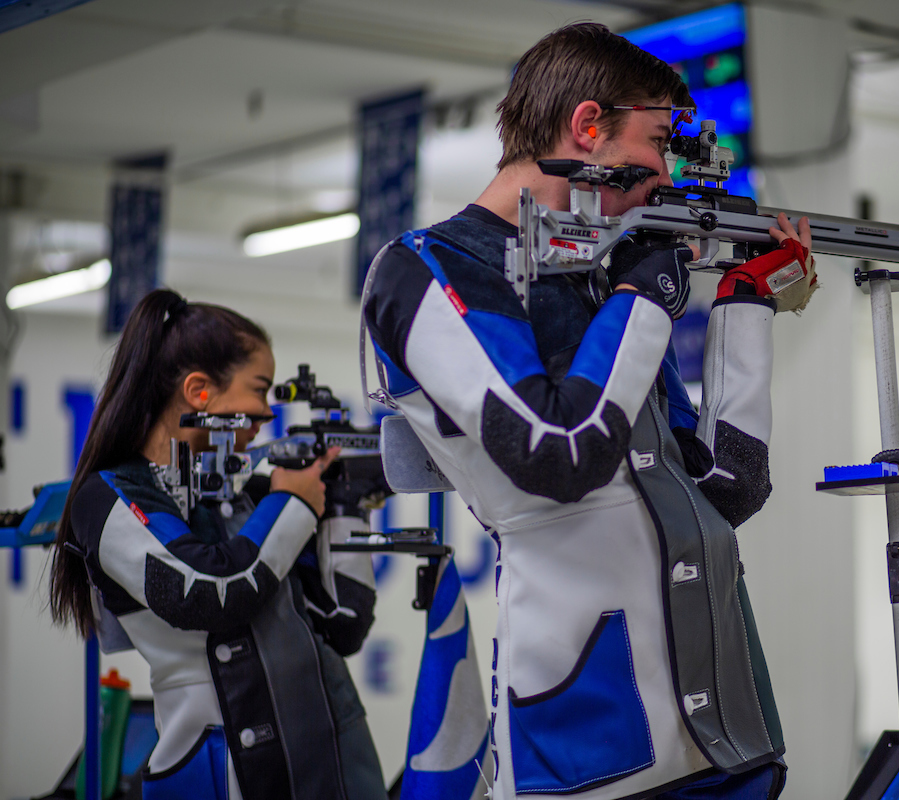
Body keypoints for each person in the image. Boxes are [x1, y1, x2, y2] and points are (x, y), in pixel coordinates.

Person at [363, 22, 817, 800]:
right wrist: (645, 295)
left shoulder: (600, 283)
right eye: (655, 144)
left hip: (724, 729)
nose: (663, 174)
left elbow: (726, 487)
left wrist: (746, 305)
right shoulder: (427, 270)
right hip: (592, 738)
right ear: (587, 125)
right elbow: (556, 452)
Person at [49, 289, 388, 800]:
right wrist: (294, 503)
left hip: (323, 767)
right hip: (217, 771)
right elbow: (209, 590)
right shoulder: (107, 496)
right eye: (259, 390)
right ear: (199, 391)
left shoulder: (247, 495)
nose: (267, 413)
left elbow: (342, 625)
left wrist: (344, 506)